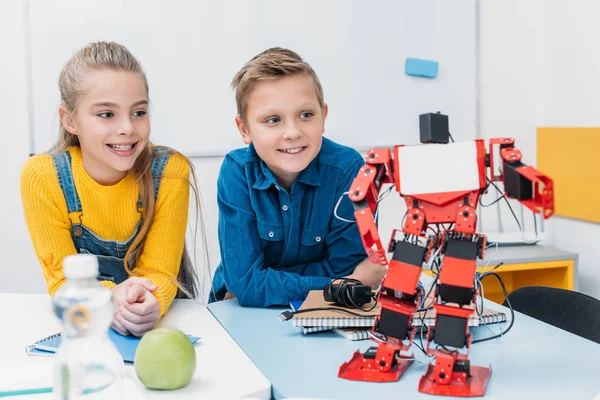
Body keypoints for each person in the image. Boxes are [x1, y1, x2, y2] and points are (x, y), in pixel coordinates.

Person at [21, 41, 203, 336]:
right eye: (106, 114)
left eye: (139, 112)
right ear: (69, 120)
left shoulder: (170, 173)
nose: (127, 128)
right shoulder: (43, 177)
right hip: (88, 328)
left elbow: (160, 272)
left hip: (159, 327)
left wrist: (150, 302)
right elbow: (62, 282)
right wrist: (108, 299)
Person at [209, 47, 386, 307]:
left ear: (323, 117)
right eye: (273, 120)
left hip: (329, 312)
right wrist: (338, 287)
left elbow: (347, 267)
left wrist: (266, 283)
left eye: (306, 115)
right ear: (244, 129)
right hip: (239, 312)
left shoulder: (349, 170)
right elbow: (245, 284)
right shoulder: (237, 172)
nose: (292, 132)